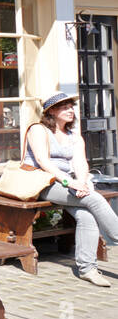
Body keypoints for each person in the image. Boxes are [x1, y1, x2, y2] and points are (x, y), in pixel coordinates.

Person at [25, 91, 116, 287]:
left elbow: (81, 163)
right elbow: (43, 162)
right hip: (44, 182)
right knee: (95, 199)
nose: (70, 111)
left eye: (71, 107)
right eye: (64, 107)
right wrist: (70, 183)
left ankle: (87, 269)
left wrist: (82, 182)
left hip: (69, 183)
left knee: (87, 214)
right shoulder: (38, 130)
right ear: (52, 111)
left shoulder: (74, 136)